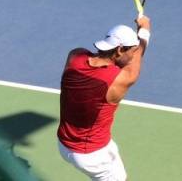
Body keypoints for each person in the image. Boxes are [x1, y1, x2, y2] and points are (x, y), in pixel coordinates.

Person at [57, 16, 152, 180]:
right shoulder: (115, 81)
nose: (133, 55)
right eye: (131, 51)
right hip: (90, 153)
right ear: (120, 50)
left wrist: (137, 36)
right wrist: (144, 30)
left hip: (65, 143)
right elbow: (133, 66)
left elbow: (102, 61)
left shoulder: (75, 57)